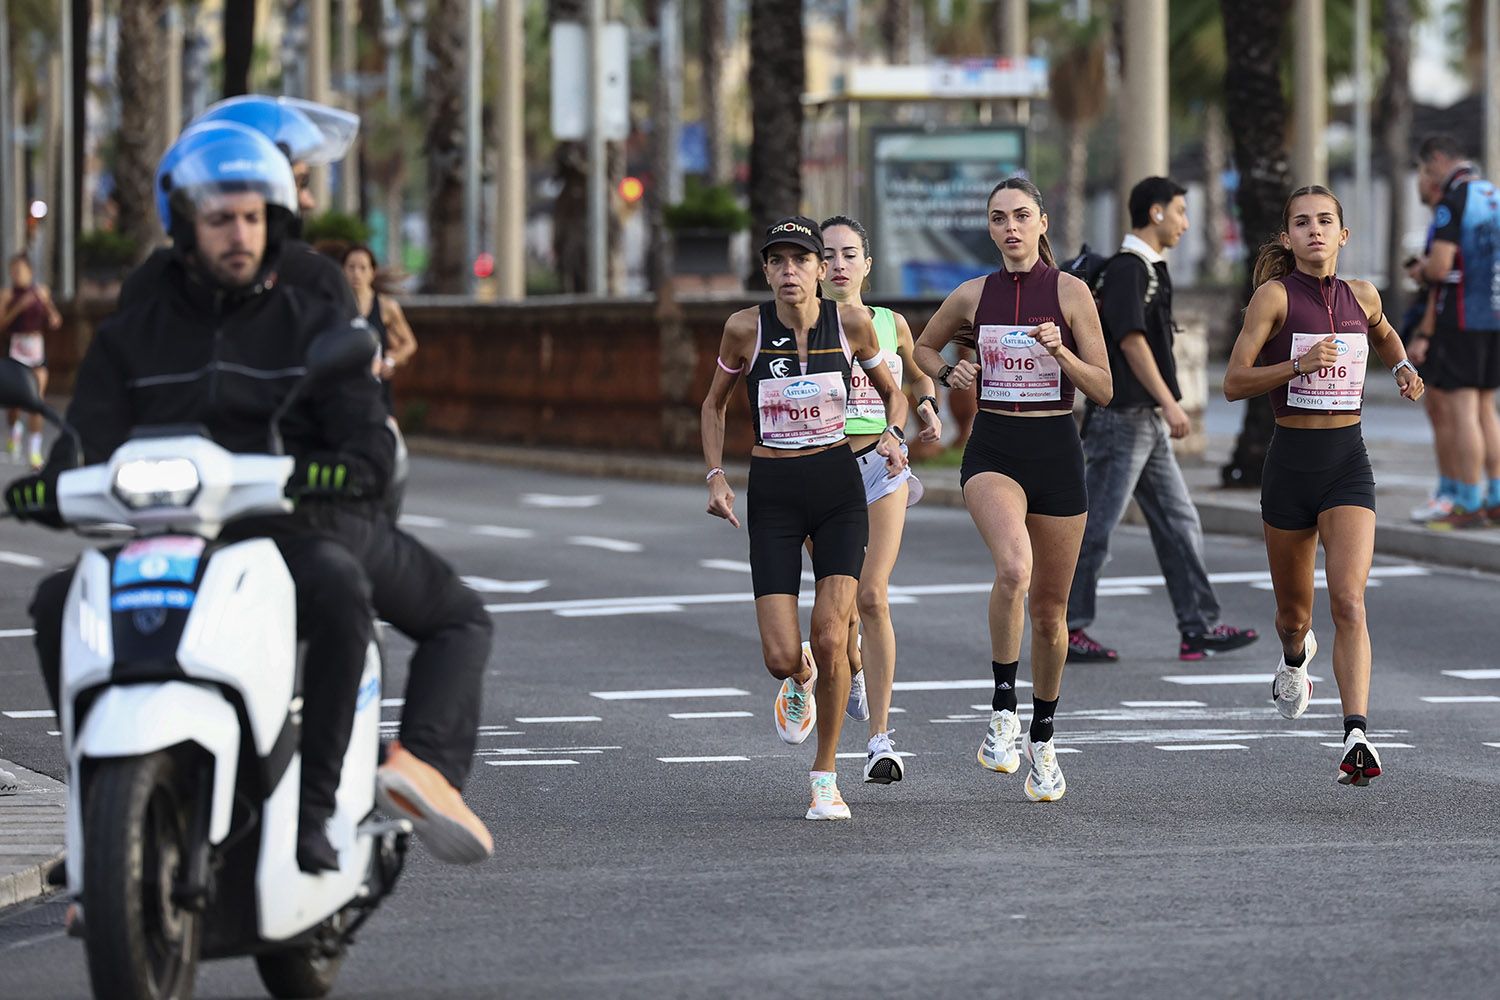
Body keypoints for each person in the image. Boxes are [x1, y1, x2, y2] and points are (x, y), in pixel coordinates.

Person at [6, 123, 393, 872]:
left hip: (271, 530)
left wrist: (339, 467)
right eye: (220, 218)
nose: (238, 233)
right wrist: (46, 485)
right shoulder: (131, 335)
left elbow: (367, 431)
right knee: (58, 601)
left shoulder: (313, 323)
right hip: (153, 536)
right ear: (187, 227)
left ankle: (314, 810)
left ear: (273, 221)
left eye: (251, 217)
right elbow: (81, 442)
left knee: (341, 588)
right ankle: (97, 809)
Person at [134, 101, 493, 862]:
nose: (306, 198)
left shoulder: (154, 282)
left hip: (178, 519)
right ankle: (406, 771)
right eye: (297, 177)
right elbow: (355, 412)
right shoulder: (309, 279)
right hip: (299, 515)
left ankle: (143, 835)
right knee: (456, 617)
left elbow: (109, 404)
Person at [701, 216, 909, 820]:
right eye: (778, 262)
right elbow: (713, 406)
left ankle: (826, 774)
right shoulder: (744, 329)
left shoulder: (851, 324)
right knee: (779, 654)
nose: (789, 272)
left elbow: (892, 389)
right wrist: (716, 476)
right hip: (774, 490)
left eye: (801, 260)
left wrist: (895, 431)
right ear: (766, 271)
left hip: (837, 487)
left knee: (833, 627)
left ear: (821, 269)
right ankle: (800, 675)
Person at [913, 177, 1113, 803]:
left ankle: (1044, 740)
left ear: (1043, 222)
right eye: (999, 218)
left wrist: (1061, 356)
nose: (1010, 228)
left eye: (1021, 216)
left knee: (1052, 614)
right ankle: (1002, 710)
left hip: (1058, 451)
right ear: (991, 229)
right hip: (995, 449)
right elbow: (921, 345)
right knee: (1013, 568)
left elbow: (1104, 388)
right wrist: (950, 371)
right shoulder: (975, 295)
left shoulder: (1073, 293)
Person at [1222, 184, 1423, 786]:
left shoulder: (1362, 294)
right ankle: (1292, 658)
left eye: (1325, 222)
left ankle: (1356, 732)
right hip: (1289, 465)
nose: (1314, 231)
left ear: (1343, 235)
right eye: (1302, 223)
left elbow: (1384, 333)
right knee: (1293, 615)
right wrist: (1296, 367)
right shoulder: (1273, 298)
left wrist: (1403, 364)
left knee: (1349, 601)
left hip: (1346, 463)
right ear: (1288, 237)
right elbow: (1233, 381)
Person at [1065, 177, 1258, 663]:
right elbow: (1131, 341)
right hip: (1123, 418)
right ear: (1154, 213)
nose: (1184, 223)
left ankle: (1198, 628)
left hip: (1143, 422)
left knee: (1179, 521)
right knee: (1096, 527)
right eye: (1178, 212)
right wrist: (1170, 402)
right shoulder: (1131, 269)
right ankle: (1066, 628)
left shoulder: (1145, 268)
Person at [815, 214, 941, 783]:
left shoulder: (890, 323)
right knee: (836, 612)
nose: (838, 264)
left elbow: (914, 378)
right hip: (819, 472)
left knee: (873, 596)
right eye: (828, 255)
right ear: (815, 269)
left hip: (882, 464)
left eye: (849, 254)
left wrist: (928, 408)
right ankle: (855, 667)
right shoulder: (800, 328)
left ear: (867, 264)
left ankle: (880, 739)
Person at [118, 95, 358, 319]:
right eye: (298, 182)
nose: (308, 201)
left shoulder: (317, 280)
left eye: (250, 217)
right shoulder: (152, 286)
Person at [1412, 135, 1500, 529]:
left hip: (1463, 316)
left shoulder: (1454, 201)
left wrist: (1421, 269)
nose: (1429, 177)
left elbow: (1440, 267)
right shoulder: (1491, 193)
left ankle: (1467, 500)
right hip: (1495, 314)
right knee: (1486, 408)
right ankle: (1496, 496)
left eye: (1428, 169)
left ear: (1439, 159)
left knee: (1462, 409)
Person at [1407, 170, 1458, 523]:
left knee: (1446, 413)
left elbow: (1439, 278)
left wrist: (1423, 333)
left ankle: (1451, 494)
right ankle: (1465, 491)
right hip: (1469, 323)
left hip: (1445, 325)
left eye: (1423, 173)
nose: (1419, 183)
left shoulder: (1448, 214)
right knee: (1468, 412)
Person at [0, 255, 62, 467]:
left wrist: (47, 304)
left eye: (19, 270)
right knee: (15, 402)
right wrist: (18, 307)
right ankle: (14, 433)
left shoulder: (39, 291)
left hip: (36, 350)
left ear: (30, 271)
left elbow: (55, 320)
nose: (16, 275)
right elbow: (2, 324)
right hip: (16, 350)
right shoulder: (7, 295)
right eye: (13, 271)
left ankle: (34, 451)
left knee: (37, 401)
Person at [342, 244, 418, 409]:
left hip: (377, 391)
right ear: (343, 270)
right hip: (344, 391)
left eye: (363, 268)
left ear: (372, 272)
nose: (356, 274)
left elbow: (410, 343)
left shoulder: (386, 307)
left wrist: (391, 360)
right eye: (351, 267)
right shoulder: (336, 307)